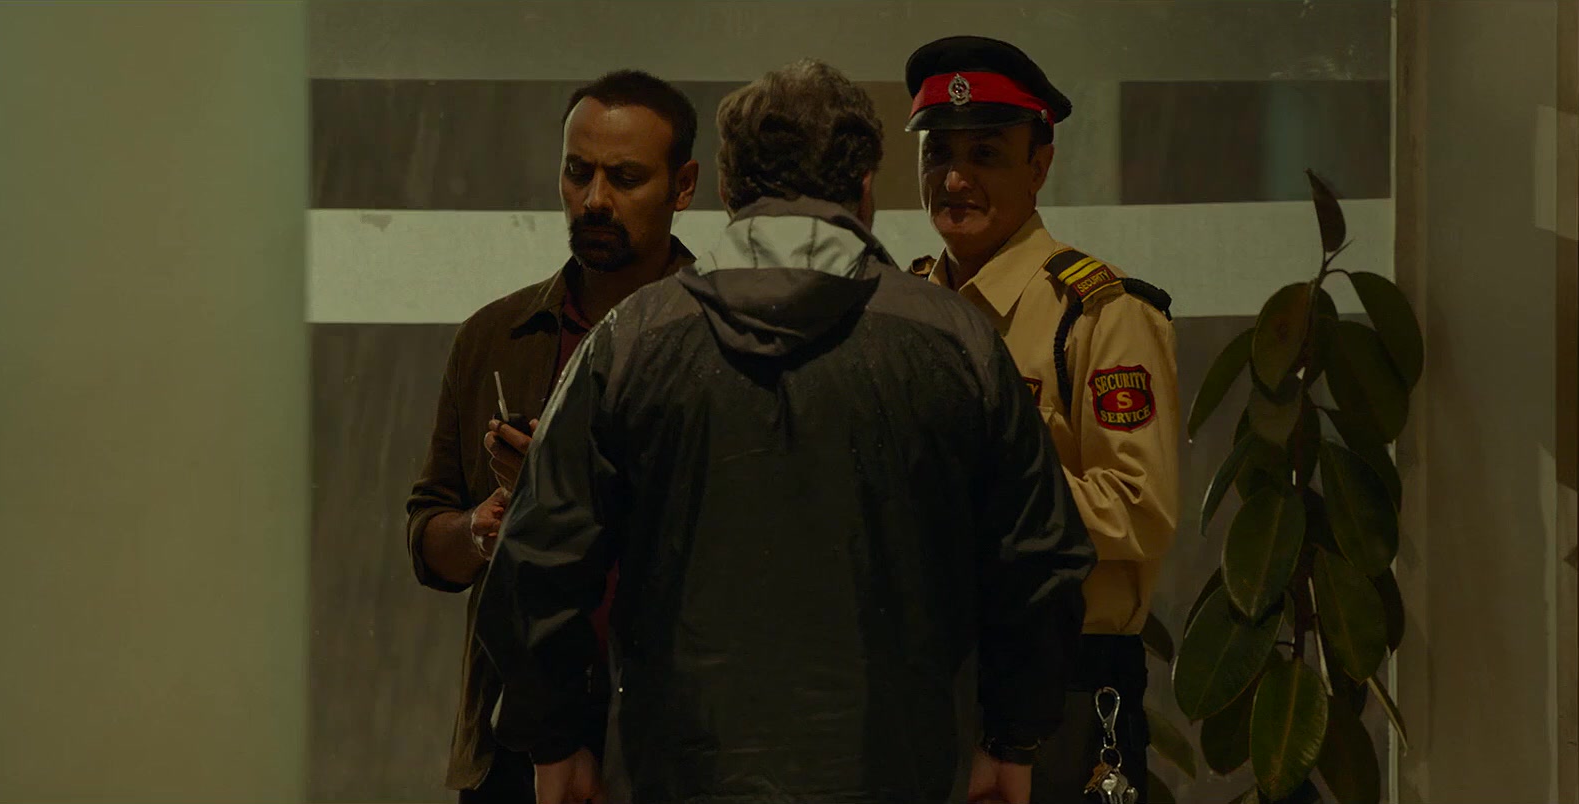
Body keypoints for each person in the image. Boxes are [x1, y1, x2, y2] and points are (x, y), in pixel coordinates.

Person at [474, 59, 1096, 804]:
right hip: (902, 766)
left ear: (728, 189)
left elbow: (537, 559)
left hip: (678, 769)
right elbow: (1040, 561)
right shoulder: (957, 341)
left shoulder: (630, 340)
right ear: (864, 186)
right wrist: (1012, 739)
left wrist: (556, 740)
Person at [403, 69, 701, 803]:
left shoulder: (721, 341)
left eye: (625, 177)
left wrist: (563, 496)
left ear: (684, 186)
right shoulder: (495, 337)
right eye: (577, 171)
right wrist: (482, 528)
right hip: (516, 741)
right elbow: (427, 536)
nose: (594, 199)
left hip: (672, 739)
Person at [900, 36, 1182, 801]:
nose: (954, 179)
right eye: (937, 153)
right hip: (923, 681)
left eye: (986, 154)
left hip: (1066, 689)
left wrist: (988, 496)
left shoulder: (1099, 316)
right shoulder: (902, 313)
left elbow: (1140, 509)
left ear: (1039, 165)